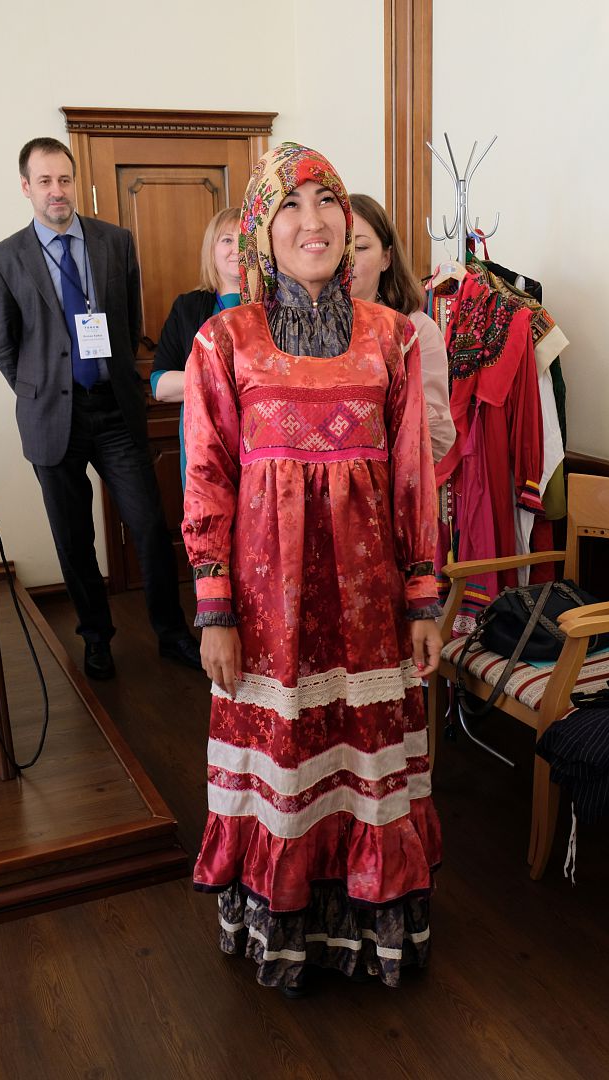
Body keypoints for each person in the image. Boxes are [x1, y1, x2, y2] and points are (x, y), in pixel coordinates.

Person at [182, 142, 443, 995]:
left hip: (370, 609)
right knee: (287, 761)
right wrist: (214, 609)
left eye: (326, 200)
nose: (313, 221)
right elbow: (207, 478)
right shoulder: (223, 340)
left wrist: (423, 597)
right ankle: (283, 922)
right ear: (262, 230)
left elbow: (414, 476)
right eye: (290, 206)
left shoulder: (392, 337)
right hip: (268, 614)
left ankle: (371, 926)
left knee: (366, 762)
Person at [0, 137, 201, 680]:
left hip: (114, 410)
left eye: (64, 179)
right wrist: (40, 390)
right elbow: (2, 343)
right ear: (26, 187)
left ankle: (172, 632)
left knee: (149, 525)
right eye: (45, 181)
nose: (57, 191)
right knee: (74, 537)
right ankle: (96, 637)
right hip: (51, 417)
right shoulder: (4, 259)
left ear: (74, 182)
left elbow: (127, 322)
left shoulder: (114, 242)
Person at [349, 193, 456, 463]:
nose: (346, 259)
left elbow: (438, 437)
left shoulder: (415, 330)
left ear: (386, 258)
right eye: (338, 244)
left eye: (360, 247)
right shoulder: (302, 327)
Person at [150, 207, 241, 488]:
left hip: (260, 442)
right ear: (211, 250)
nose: (237, 248)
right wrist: (224, 380)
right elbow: (160, 385)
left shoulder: (277, 306)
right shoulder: (187, 308)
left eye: (245, 239)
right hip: (202, 441)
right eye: (227, 240)